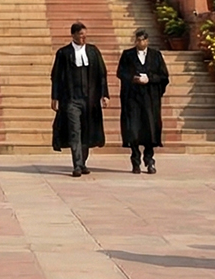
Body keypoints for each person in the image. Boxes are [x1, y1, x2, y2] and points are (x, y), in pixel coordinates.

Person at [51, 21, 108, 177]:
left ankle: (82, 162)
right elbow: (56, 77)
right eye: (80, 34)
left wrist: (104, 94)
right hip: (71, 100)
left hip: (90, 100)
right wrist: (55, 97)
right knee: (75, 131)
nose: (83, 37)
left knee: (86, 131)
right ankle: (76, 164)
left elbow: (102, 75)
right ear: (73, 35)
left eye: (85, 34)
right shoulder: (63, 53)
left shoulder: (93, 52)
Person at [116, 28, 170, 174]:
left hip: (150, 98)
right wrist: (133, 78)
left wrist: (150, 79)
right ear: (135, 41)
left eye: (143, 40)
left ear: (147, 40)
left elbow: (163, 76)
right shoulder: (127, 55)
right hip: (132, 98)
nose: (141, 43)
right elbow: (121, 72)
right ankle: (135, 159)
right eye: (138, 40)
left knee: (150, 129)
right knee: (133, 129)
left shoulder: (155, 55)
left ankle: (149, 159)